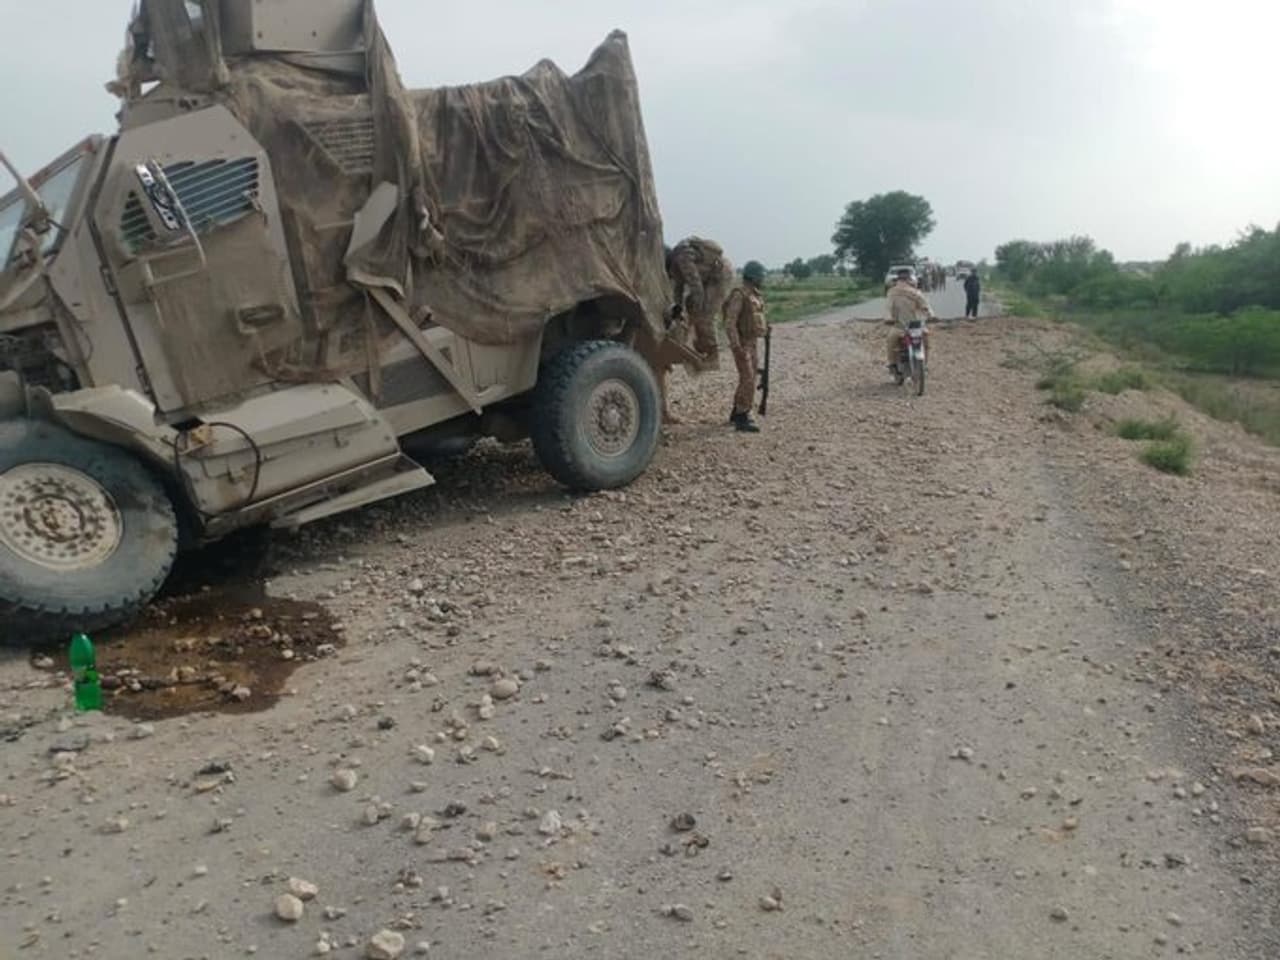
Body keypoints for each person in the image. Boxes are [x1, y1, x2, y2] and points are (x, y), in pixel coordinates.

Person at [660, 237, 732, 423]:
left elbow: (696, 287)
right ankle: (700, 348)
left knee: (704, 315)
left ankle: (712, 354)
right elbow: (678, 290)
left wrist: (696, 311)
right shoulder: (675, 267)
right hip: (708, 279)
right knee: (692, 309)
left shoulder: (682, 257)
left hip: (719, 276)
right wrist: (677, 310)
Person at [723, 260, 768, 433]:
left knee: (749, 378)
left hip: (752, 342)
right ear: (753, 276)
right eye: (760, 276)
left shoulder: (755, 295)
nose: (762, 279)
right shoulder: (739, 295)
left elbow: (757, 317)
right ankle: (742, 416)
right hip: (743, 344)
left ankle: (737, 411)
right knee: (748, 378)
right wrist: (736, 346)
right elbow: (730, 322)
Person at [886, 267, 934, 375]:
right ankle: (892, 364)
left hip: (915, 326)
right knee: (891, 340)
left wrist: (931, 315)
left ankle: (924, 365)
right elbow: (888, 308)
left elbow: (925, 306)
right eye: (902, 279)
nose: (904, 283)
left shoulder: (916, 293)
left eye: (905, 279)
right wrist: (888, 317)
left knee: (925, 338)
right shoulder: (893, 293)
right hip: (900, 325)